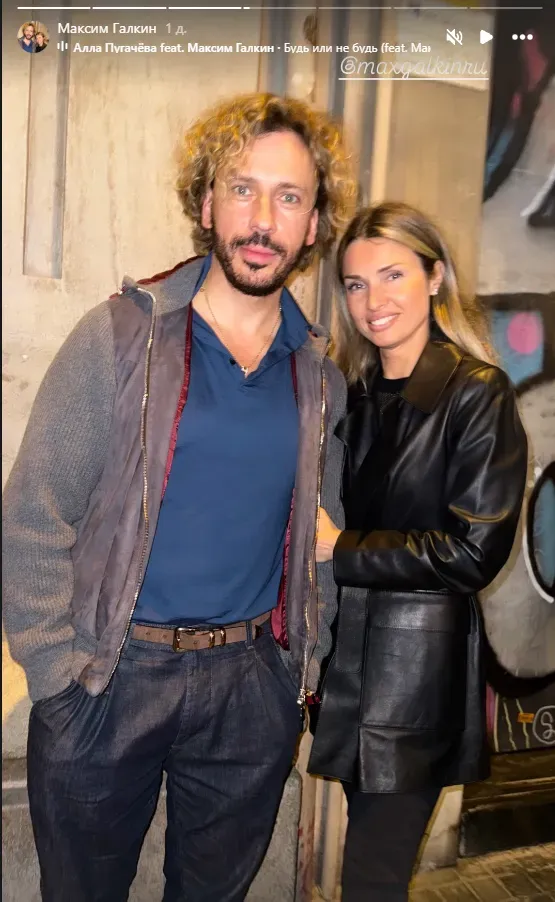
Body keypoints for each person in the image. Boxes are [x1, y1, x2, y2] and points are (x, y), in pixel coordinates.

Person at [2, 93, 354, 902]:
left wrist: (298, 667)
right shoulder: (121, 337)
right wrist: (57, 674)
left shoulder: (317, 377)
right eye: (242, 188)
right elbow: (33, 513)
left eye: (288, 198)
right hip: (109, 678)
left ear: (311, 226)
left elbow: (322, 537)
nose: (261, 219)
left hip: (251, 685)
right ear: (206, 204)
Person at [308, 202, 528, 902]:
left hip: (415, 681)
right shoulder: (351, 393)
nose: (373, 300)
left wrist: (342, 549)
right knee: (370, 874)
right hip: (345, 668)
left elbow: (473, 551)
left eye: (393, 275)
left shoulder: (476, 392)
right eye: (356, 283)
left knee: (371, 880)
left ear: (434, 278)